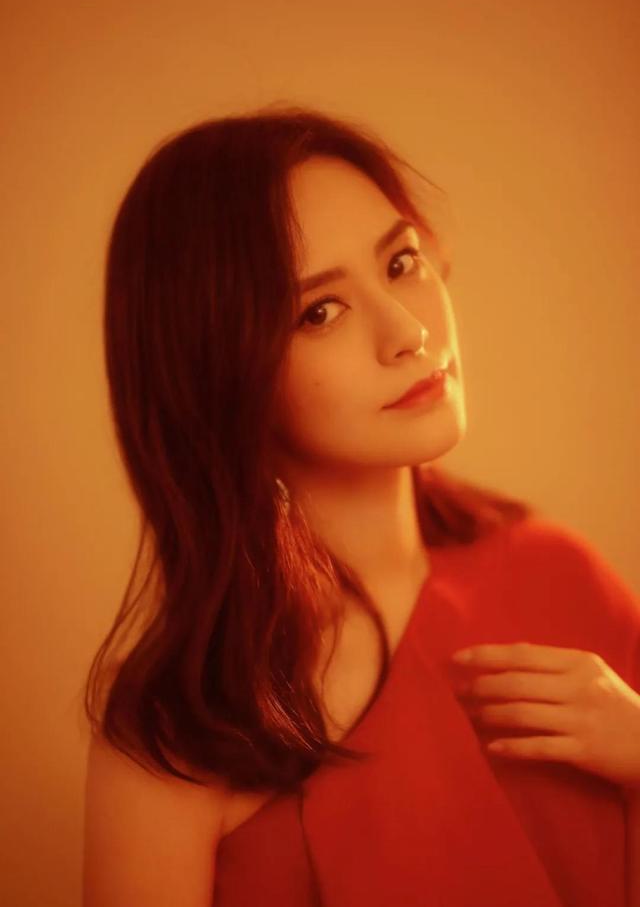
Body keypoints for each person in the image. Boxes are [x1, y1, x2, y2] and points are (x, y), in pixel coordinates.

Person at [82, 104, 640, 907]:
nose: (408, 331)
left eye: (401, 262)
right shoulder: (180, 731)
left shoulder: (558, 573)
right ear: (220, 373)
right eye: (320, 311)